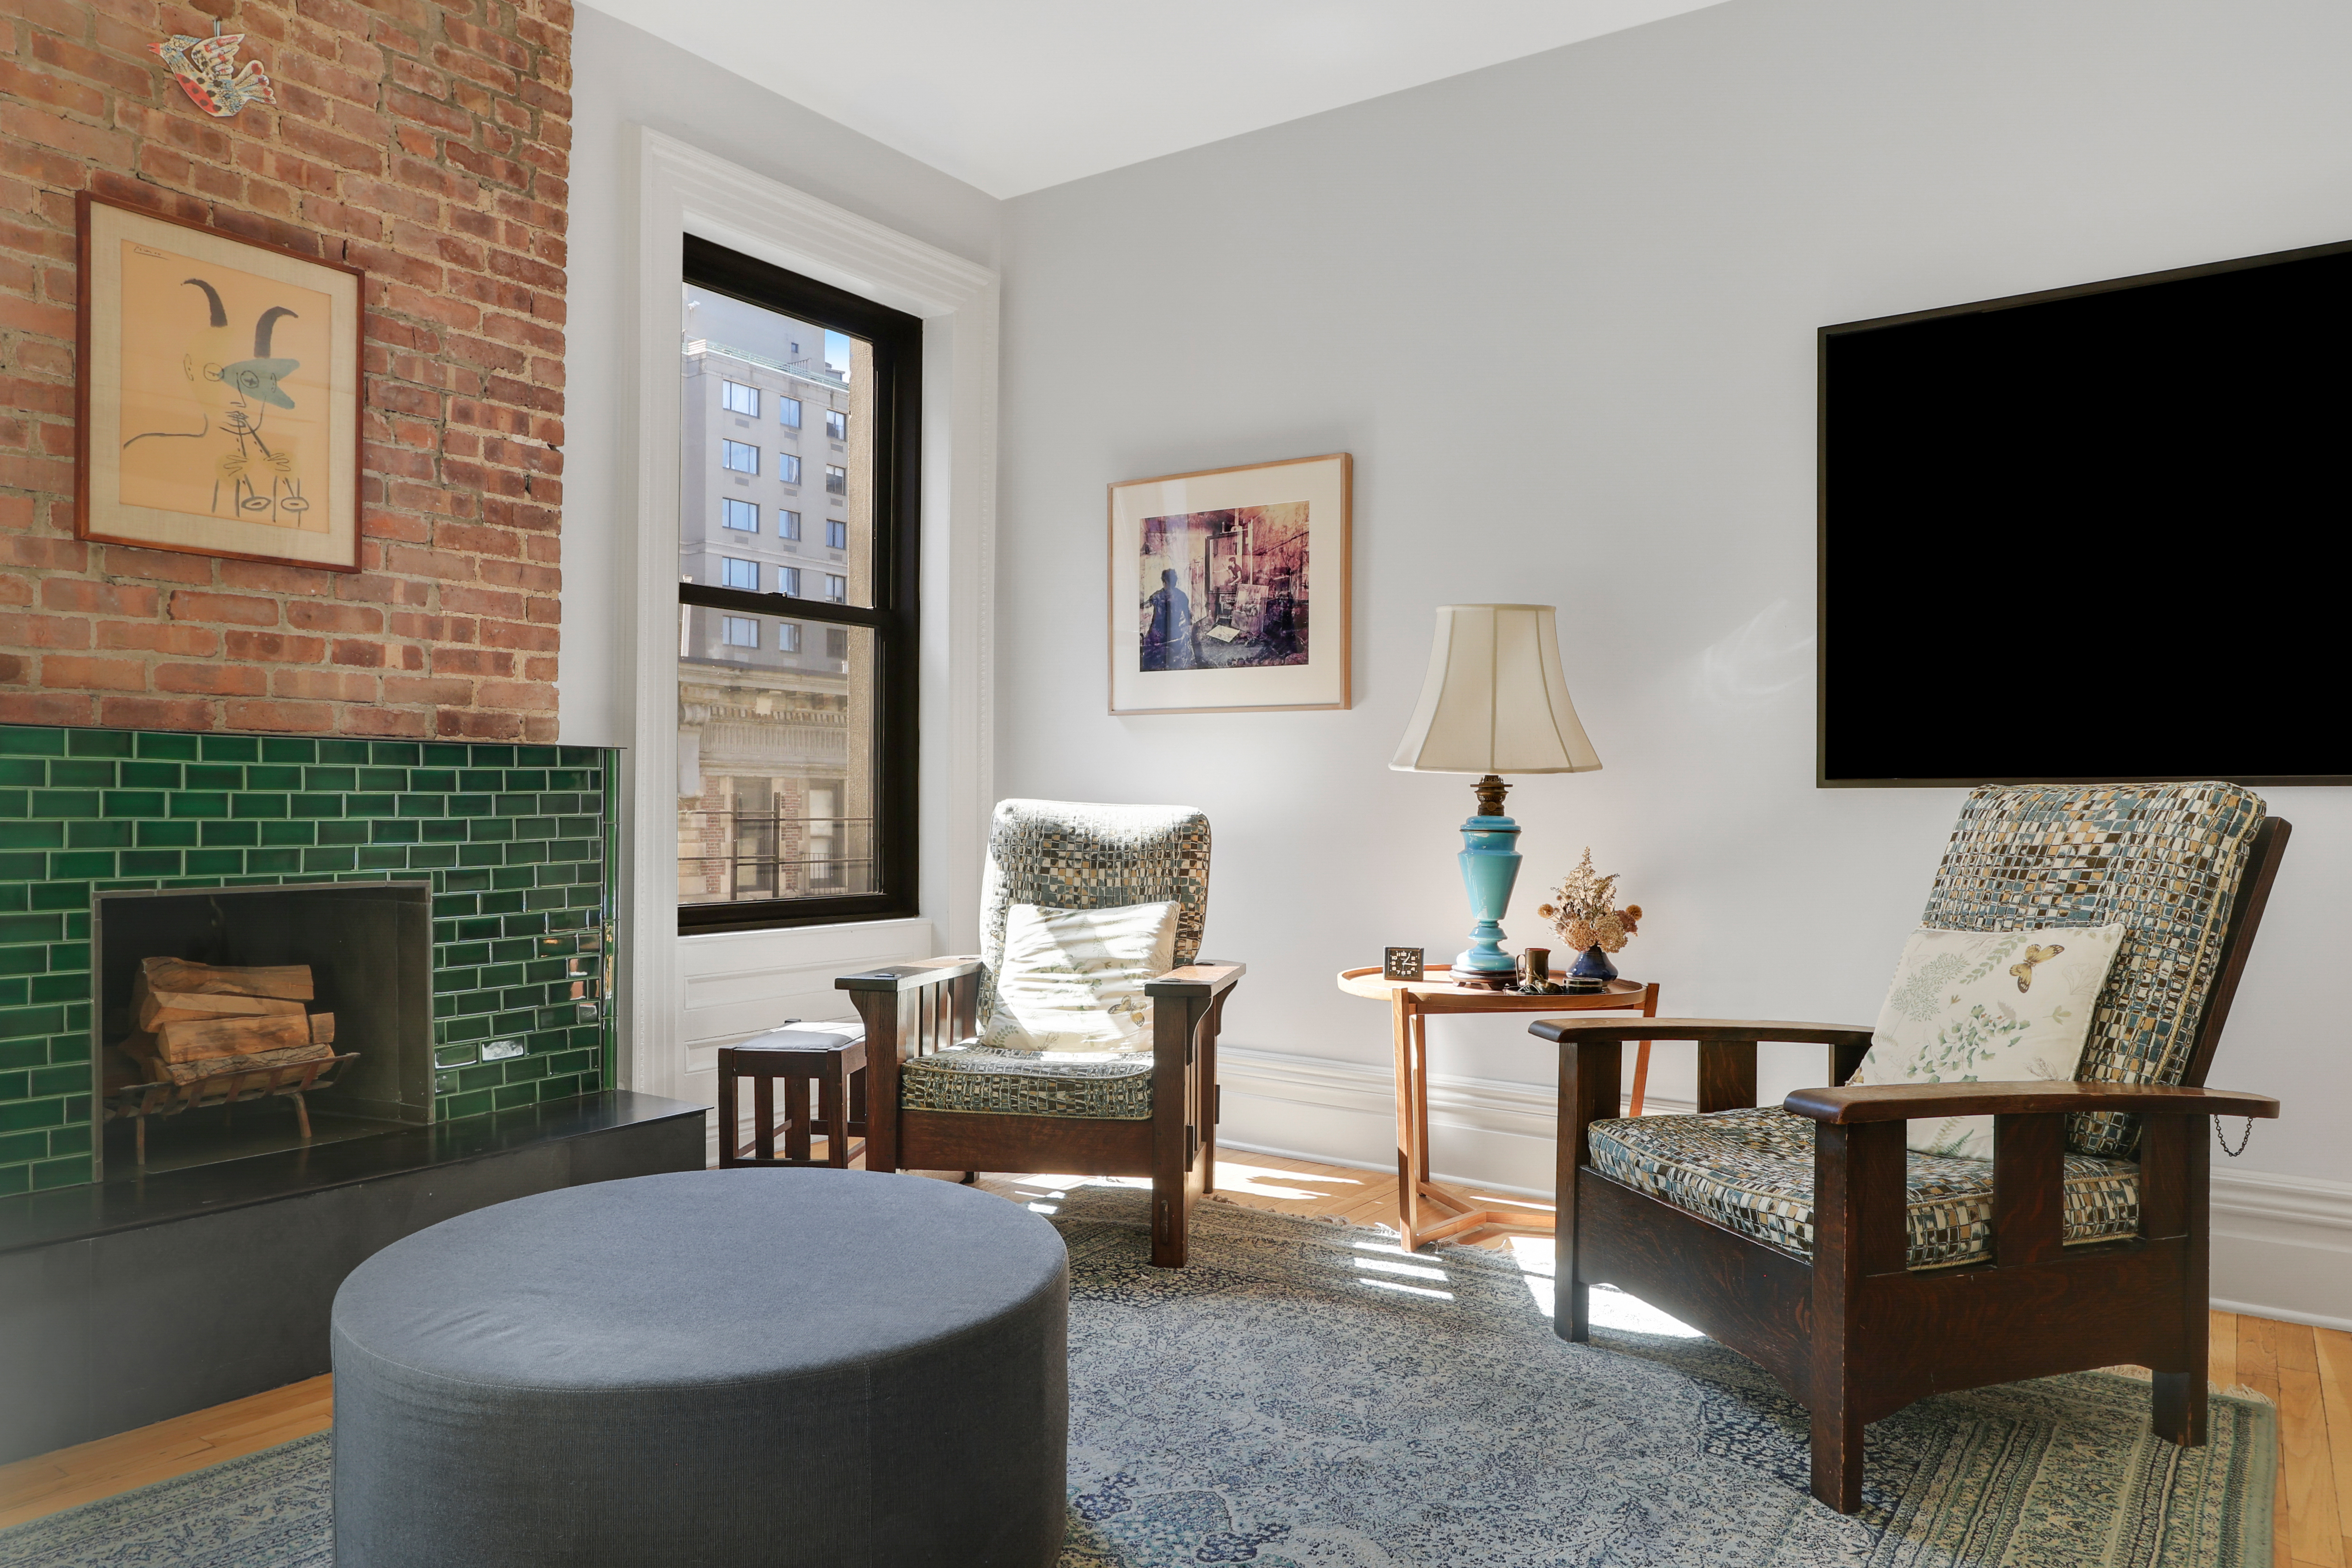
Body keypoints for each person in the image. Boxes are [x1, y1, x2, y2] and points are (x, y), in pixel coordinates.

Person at [1142, 567, 1196, 670]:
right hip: (1175, 636)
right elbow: (1188, 618)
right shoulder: (1182, 596)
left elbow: (1144, 606)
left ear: (1164, 581)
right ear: (1175, 581)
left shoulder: (1158, 596)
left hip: (1157, 636)